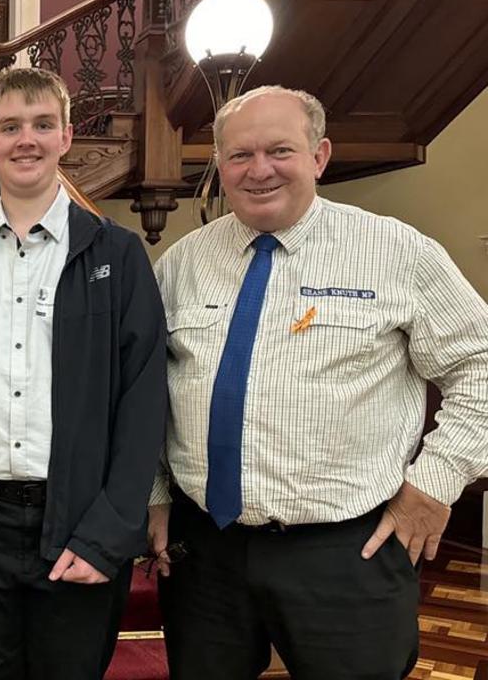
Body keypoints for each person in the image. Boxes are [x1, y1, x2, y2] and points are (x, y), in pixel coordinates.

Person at [149, 85, 488, 678]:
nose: (259, 171)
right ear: (219, 164)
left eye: (280, 150)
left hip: (346, 553)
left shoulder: (396, 252)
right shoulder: (181, 263)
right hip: (205, 552)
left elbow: (479, 363)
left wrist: (437, 481)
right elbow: (145, 388)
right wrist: (154, 494)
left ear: (319, 156)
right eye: (239, 155)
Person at [0, 67, 167, 679]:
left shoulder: (117, 256)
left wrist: (109, 533)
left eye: (43, 124)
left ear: (67, 136)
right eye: (10, 126)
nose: (27, 139)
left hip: (78, 525)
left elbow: (144, 401)